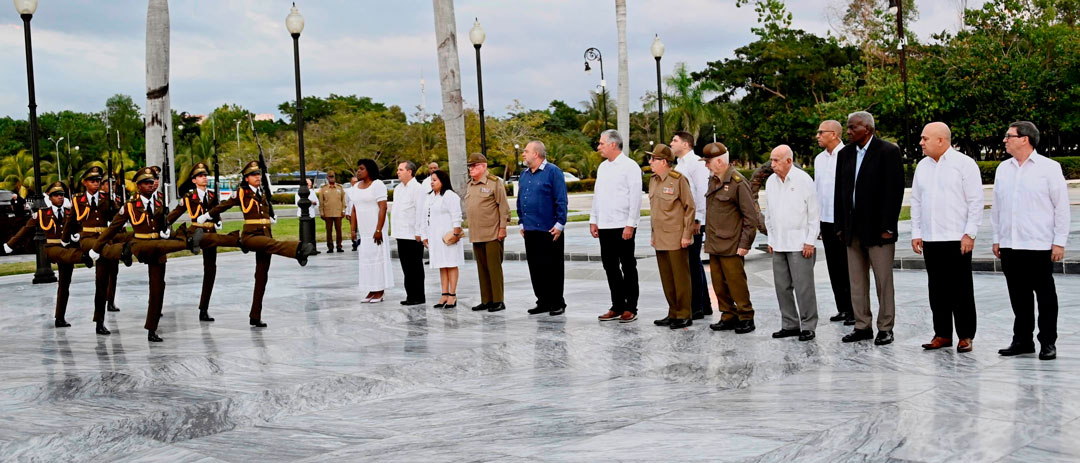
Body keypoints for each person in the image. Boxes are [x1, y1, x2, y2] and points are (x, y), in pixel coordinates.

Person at [200, 161, 318, 329]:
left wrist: (271, 216)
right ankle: (297, 250)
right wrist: (207, 216)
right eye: (254, 175)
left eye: (258, 174)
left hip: (265, 232)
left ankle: (255, 315)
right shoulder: (242, 192)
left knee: (262, 277)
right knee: (273, 245)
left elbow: (266, 207)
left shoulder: (261, 191)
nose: (258, 177)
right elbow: (224, 205)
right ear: (246, 178)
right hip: (251, 235)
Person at [94, 167, 204, 342]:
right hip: (142, 244)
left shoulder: (160, 200)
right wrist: (97, 246)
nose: (150, 185)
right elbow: (113, 228)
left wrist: (167, 229)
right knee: (169, 246)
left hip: (158, 246)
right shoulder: (130, 205)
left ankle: (152, 328)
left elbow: (167, 219)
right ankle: (187, 243)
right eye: (146, 183)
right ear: (138, 186)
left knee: (158, 287)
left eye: (152, 182)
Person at [993, 121, 1069, 361]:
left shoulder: (1049, 168)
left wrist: (1059, 242)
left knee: (1045, 296)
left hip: (1038, 244)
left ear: (1025, 139)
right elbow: (997, 207)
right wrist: (997, 239)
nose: (1005, 140)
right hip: (1010, 244)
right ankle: (1022, 340)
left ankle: (1047, 342)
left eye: (1009, 136)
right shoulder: (1003, 169)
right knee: (1018, 296)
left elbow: (1061, 207)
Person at [909, 123, 983, 352]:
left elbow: (975, 201)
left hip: (957, 239)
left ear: (941, 140)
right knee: (937, 290)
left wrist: (969, 233)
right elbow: (916, 201)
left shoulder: (964, 164)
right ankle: (942, 334)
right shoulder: (922, 166)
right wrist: (916, 232)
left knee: (961, 290)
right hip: (931, 238)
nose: (921, 142)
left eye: (925, 138)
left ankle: (965, 335)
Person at [833, 111, 904, 346]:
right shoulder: (845, 154)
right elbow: (840, 192)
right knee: (856, 281)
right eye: (848, 127)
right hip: (852, 230)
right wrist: (840, 225)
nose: (849, 131)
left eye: (853, 127)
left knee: (883, 281)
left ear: (868, 129)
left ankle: (886, 327)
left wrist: (888, 227)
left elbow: (894, 193)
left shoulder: (888, 152)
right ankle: (862, 325)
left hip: (878, 230)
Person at [3, 181, 96, 330]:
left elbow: (80, 228)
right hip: (52, 248)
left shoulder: (69, 212)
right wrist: (9, 245)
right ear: (50, 197)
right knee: (66, 254)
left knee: (64, 285)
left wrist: (77, 236)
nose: (60, 197)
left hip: (67, 251)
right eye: (56, 195)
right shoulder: (42, 213)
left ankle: (60, 317)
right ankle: (83, 258)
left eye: (61, 195)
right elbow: (25, 229)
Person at [166, 162, 243, 322]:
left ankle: (204, 308)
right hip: (197, 230)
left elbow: (217, 210)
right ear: (194, 180)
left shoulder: (212, 195)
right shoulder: (189, 197)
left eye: (205, 175)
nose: (204, 178)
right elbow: (175, 213)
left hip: (211, 232)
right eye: (200, 176)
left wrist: (218, 220)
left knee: (210, 270)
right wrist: (164, 225)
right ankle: (195, 241)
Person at [701, 143, 758, 333]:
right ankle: (728, 315)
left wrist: (745, 244)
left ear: (719, 161)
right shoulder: (713, 180)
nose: (706, 165)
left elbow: (750, 217)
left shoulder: (738, 182)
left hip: (732, 244)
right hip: (715, 242)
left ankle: (746, 316)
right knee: (718, 283)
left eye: (708, 162)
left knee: (736, 283)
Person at [765, 145, 820, 342]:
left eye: (776, 160)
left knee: (803, 287)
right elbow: (769, 214)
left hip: (800, 243)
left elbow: (814, 213)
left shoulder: (804, 180)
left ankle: (808, 325)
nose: (772, 165)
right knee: (782, 286)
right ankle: (789, 324)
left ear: (788, 161)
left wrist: (810, 241)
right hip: (779, 242)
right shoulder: (771, 182)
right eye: (771, 160)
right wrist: (771, 239)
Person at [591, 129, 643, 323]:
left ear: (613, 144)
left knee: (628, 266)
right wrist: (593, 219)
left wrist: (631, 224)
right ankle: (617, 305)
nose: (598, 147)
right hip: (604, 225)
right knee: (610, 266)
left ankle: (631, 307)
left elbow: (636, 198)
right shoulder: (602, 168)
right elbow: (598, 196)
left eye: (601, 144)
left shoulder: (630, 166)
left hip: (623, 225)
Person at [66, 166, 123, 333]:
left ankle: (99, 321)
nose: (96, 183)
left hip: (103, 241)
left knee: (101, 283)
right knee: (101, 250)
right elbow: (71, 222)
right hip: (87, 239)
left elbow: (115, 219)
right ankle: (122, 252)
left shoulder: (107, 199)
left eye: (98, 181)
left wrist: (117, 207)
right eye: (92, 181)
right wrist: (66, 239)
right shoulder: (78, 200)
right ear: (84, 183)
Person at [646, 144, 696, 329]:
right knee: (667, 278)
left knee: (680, 278)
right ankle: (673, 312)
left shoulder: (678, 179)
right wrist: (653, 234)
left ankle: (684, 314)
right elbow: (655, 211)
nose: (650, 162)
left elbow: (689, 207)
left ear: (664, 162)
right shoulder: (653, 180)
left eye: (654, 159)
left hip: (676, 237)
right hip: (660, 237)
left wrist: (686, 234)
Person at [518, 140, 569, 316]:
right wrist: (521, 222)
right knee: (536, 267)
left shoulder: (553, 172)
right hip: (530, 228)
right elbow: (520, 200)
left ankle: (557, 302)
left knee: (552, 267)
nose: (523, 154)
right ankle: (543, 301)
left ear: (536, 154)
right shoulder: (524, 174)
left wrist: (560, 224)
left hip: (550, 229)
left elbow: (561, 199)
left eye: (526, 151)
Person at [814, 119, 854, 326]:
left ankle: (854, 309)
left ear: (834, 135)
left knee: (848, 266)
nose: (818, 136)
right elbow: (818, 191)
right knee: (833, 267)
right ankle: (842, 308)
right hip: (826, 220)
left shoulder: (848, 155)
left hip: (844, 221)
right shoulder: (819, 160)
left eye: (822, 132)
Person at [670, 130, 711, 320]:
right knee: (692, 263)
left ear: (685, 144)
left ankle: (697, 306)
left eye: (675, 140)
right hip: (683, 220)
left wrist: (698, 220)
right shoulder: (679, 165)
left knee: (692, 263)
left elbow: (703, 192)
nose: (671, 143)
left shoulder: (695, 163)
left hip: (694, 221)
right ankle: (704, 304)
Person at [464, 153, 511, 313]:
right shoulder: (470, 184)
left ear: (483, 166)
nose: (471, 168)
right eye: (470, 166)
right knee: (482, 268)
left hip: (492, 232)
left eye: (474, 165)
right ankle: (486, 300)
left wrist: (502, 228)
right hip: (477, 234)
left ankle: (498, 300)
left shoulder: (494, 183)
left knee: (494, 268)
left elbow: (503, 207)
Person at [349, 159, 394, 303]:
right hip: (364, 230)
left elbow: (383, 208)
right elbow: (354, 209)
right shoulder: (355, 187)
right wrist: (353, 230)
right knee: (366, 259)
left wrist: (379, 229)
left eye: (362, 168)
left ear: (369, 170)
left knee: (377, 258)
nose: (358, 171)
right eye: (358, 168)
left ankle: (379, 290)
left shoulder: (377, 185)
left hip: (376, 229)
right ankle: (371, 289)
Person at [421, 169, 464, 309]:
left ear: (442, 181)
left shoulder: (450, 195)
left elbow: (456, 215)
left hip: (448, 236)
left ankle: (452, 294)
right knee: (442, 264)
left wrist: (456, 234)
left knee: (451, 263)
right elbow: (425, 216)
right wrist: (424, 235)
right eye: (431, 180)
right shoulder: (430, 197)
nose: (432, 183)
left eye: (435, 180)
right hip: (434, 235)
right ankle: (444, 293)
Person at [390, 160, 427, 305]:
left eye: (401, 170)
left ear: (409, 172)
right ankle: (410, 295)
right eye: (398, 170)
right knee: (406, 267)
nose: (398, 172)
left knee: (415, 267)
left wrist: (419, 232)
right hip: (401, 233)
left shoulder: (417, 188)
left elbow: (420, 211)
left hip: (413, 235)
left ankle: (418, 296)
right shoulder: (398, 189)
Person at [319, 172, 346, 252]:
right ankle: (330, 247)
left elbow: (343, 200)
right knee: (329, 230)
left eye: (333, 177)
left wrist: (343, 210)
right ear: (327, 178)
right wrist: (321, 212)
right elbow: (321, 202)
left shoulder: (340, 188)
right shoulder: (323, 189)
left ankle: (339, 246)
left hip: (338, 212)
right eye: (330, 177)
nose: (331, 178)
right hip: (328, 213)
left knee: (339, 230)